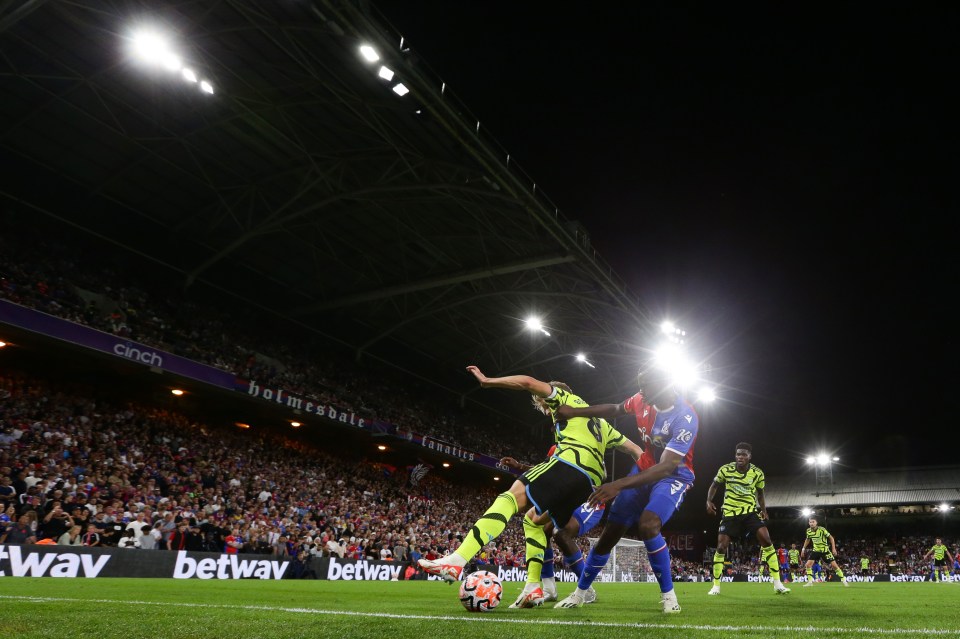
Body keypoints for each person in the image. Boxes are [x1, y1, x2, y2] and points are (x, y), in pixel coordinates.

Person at [419, 365, 640, 610]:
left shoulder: (563, 396)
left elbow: (526, 381)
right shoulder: (601, 423)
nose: (546, 409)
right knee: (533, 520)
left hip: (571, 462)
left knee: (510, 497)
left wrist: (487, 381)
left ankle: (457, 559)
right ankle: (533, 587)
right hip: (589, 483)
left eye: (544, 404)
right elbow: (635, 450)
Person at [552, 363, 699, 613]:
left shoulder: (685, 417)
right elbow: (617, 408)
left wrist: (618, 484)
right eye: (640, 386)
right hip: (642, 470)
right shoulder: (642, 400)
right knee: (610, 533)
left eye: (646, 387)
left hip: (673, 476)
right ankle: (579, 593)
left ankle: (670, 598)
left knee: (648, 524)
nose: (642, 393)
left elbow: (665, 468)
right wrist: (576, 412)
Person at [499, 446, 606, 604]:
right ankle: (549, 589)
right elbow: (545, 470)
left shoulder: (586, 443)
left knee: (561, 533)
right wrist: (520, 466)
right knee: (542, 531)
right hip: (564, 497)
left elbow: (602, 475)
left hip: (589, 500)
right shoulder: (556, 448)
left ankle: (587, 589)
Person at [705, 442, 790, 595]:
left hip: (750, 512)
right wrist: (708, 501)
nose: (740, 457)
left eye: (744, 454)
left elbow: (760, 493)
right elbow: (714, 485)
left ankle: (778, 584)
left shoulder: (757, 473)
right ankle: (716, 586)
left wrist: (763, 510)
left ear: (749, 456)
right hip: (730, 513)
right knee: (720, 547)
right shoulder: (726, 469)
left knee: (767, 541)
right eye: (738, 454)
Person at [800, 517, 848, 586]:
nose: (811, 523)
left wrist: (833, 548)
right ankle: (810, 582)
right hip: (816, 550)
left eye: (813, 522)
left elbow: (831, 538)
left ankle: (844, 580)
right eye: (810, 522)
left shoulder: (822, 529)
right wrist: (803, 549)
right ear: (808, 523)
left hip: (825, 550)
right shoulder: (808, 531)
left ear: (816, 523)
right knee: (807, 565)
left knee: (834, 566)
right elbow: (807, 539)